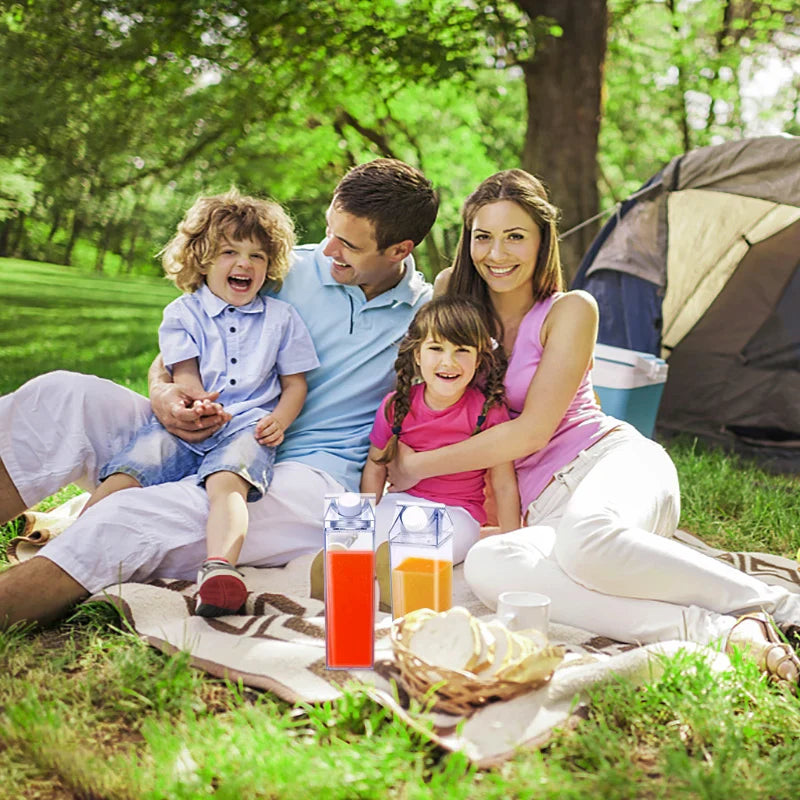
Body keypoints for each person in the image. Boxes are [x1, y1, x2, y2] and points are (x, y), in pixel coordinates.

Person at [386, 168, 800, 687]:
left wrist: (417, 465)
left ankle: (781, 605)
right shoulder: (452, 296)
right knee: (491, 568)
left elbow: (532, 433)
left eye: (515, 236)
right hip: (540, 510)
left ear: (542, 241)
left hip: (607, 464)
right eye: (483, 236)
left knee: (589, 542)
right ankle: (717, 631)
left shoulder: (571, 309)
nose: (497, 253)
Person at [0, 158, 438, 630]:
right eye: (330, 229)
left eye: (348, 244)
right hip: (200, 432)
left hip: (308, 475)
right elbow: (186, 333)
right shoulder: (284, 268)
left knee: (132, 514)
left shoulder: (426, 317)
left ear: (399, 250)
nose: (328, 248)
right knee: (62, 394)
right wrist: (164, 392)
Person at [79, 190, 320, 617]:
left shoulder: (282, 319)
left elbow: (295, 384)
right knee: (133, 469)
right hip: (189, 420)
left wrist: (279, 420)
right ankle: (76, 545)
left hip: (248, 424)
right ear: (203, 259)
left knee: (229, 484)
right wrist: (194, 405)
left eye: (257, 256)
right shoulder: (183, 313)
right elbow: (183, 373)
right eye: (230, 251)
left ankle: (219, 568)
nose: (245, 264)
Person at [362, 295, 520, 563]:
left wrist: (513, 541)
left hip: (457, 512)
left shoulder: (488, 412)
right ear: (417, 355)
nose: (448, 362)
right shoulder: (396, 406)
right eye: (436, 348)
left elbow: (503, 483)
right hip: (400, 502)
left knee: (434, 547)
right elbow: (375, 468)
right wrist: (366, 517)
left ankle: (400, 569)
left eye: (462, 350)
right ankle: (368, 565)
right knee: (366, 539)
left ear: (479, 360)